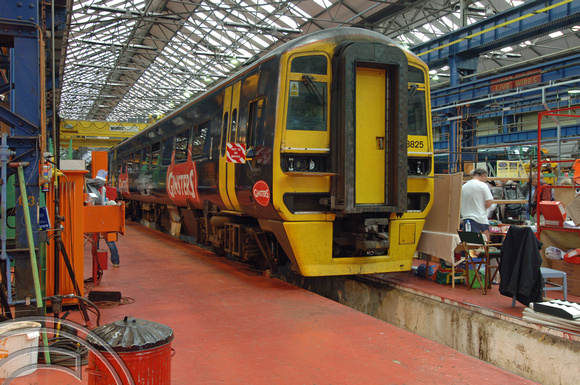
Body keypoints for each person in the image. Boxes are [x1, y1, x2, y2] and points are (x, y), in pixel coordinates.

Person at [461, 168, 493, 239]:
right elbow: (489, 202)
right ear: (482, 176)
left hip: (466, 218)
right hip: (479, 218)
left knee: (469, 242)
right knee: (485, 240)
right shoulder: (482, 185)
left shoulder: (464, 186)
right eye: (485, 178)